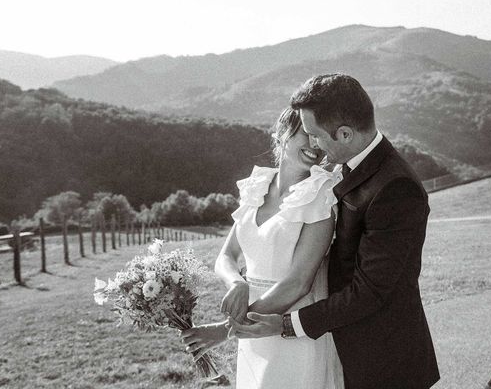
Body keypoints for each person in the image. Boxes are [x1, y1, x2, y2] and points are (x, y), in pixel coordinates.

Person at [229, 74, 440, 389]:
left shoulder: (396, 187)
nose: (313, 145)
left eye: (315, 135)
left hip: (383, 362)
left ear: (344, 133)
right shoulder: (349, 165)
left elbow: (369, 292)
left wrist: (286, 324)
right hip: (343, 348)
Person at [181, 107, 345, 388]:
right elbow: (227, 255)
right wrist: (236, 283)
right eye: (306, 134)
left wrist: (227, 330)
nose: (314, 144)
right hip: (252, 330)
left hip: (289, 328)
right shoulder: (256, 187)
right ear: (281, 135)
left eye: (318, 136)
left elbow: (298, 283)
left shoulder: (321, 195)